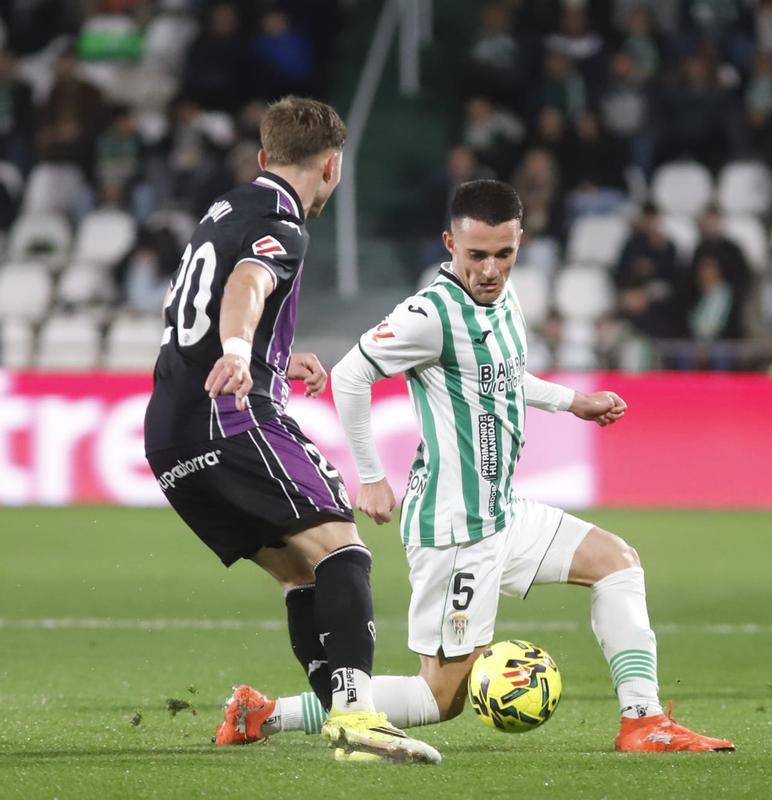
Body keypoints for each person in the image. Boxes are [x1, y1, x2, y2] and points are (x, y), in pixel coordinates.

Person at [215, 180, 734, 754]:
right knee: (439, 698)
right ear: (450, 244)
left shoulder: (506, 301)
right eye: (477, 255)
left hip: (500, 511)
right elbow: (350, 375)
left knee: (616, 563)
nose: (490, 270)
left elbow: (502, 373)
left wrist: (571, 401)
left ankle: (643, 722)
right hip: (455, 528)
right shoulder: (428, 315)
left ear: (519, 243)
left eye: (504, 255)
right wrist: (369, 475)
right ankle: (263, 713)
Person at [143, 97, 438, 764]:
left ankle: (332, 711)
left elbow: (205, 296)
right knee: (343, 550)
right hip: (230, 415)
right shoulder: (283, 221)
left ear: (262, 157)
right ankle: (357, 715)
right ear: (332, 166)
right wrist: (241, 352)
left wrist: (273, 353)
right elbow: (245, 285)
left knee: (303, 575)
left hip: (168, 434)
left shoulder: (224, 210)